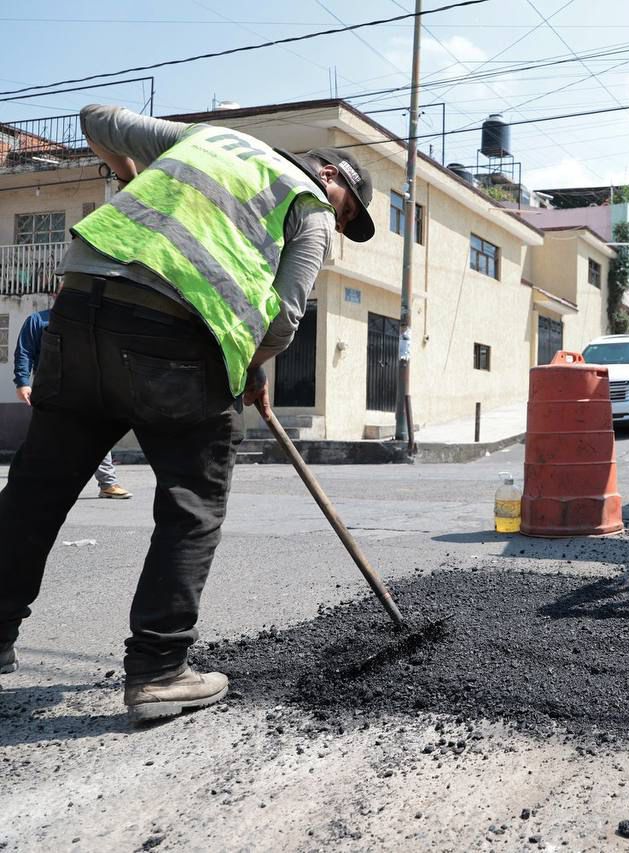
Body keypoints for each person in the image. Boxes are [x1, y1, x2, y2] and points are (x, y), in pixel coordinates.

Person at [0, 105, 375, 716]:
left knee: (35, 491)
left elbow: (95, 119)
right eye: (346, 210)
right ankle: (158, 669)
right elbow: (284, 318)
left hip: (80, 312)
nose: (338, 221)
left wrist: (131, 177)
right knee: (191, 504)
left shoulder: (208, 141)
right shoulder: (308, 206)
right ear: (329, 175)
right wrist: (248, 364)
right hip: (174, 336)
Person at [13, 305, 132, 499]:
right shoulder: (38, 320)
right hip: (50, 389)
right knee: (47, 437)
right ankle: (35, 484)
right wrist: (22, 382)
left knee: (97, 432)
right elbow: (24, 352)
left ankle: (108, 484)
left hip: (86, 387)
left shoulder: (85, 322)